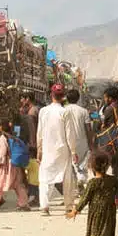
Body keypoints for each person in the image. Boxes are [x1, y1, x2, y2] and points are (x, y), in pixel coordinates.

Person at [67, 150, 118, 236]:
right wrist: (117, 198)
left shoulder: (92, 183)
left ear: (92, 167)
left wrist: (75, 211)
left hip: (96, 218)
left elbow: (84, 199)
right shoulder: (112, 180)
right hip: (110, 215)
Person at [37, 84, 79, 216]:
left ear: (51, 94)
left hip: (47, 149)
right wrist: (73, 151)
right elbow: (69, 134)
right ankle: (68, 205)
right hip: (63, 149)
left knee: (45, 177)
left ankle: (44, 206)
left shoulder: (43, 111)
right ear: (63, 96)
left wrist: (39, 149)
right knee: (67, 178)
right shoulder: (65, 112)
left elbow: (40, 132)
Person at [0, 120, 32, 211]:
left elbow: (2, 152)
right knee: (18, 185)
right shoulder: (13, 136)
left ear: (0, 127)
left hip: (6, 165)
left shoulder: (3, 137)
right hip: (15, 164)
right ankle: (23, 204)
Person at [64, 89, 93, 183]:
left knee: (70, 166)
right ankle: (81, 182)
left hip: (67, 142)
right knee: (81, 166)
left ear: (67, 99)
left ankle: (75, 187)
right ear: (78, 98)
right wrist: (91, 143)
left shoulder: (63, 110)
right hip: (82, 143)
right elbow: (88, 129)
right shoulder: (84, 111)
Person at [97, 86, 118, 174]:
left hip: (110, 141)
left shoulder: (109, 109)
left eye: (105, 97)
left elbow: (101, 124)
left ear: (110, 98)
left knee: (106, 165)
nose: (105, 99)